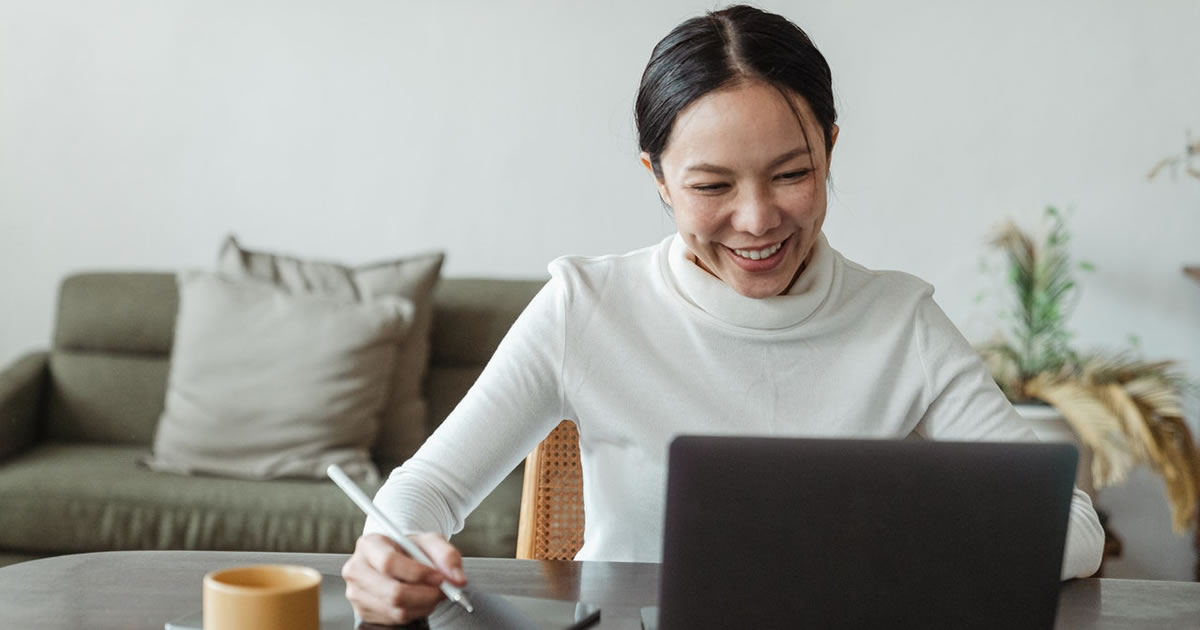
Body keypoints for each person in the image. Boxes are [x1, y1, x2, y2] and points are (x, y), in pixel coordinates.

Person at [342, 5, 1105, 624]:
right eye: (711, 186)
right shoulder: (587, 308)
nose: (757, 220)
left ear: (830, 152)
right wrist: (391, 552)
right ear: (659, 179)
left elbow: (1072, 527)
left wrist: (896, 543)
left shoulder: (900, 321)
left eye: (793, 174)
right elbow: (424, 490)